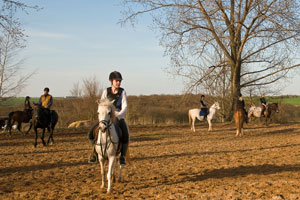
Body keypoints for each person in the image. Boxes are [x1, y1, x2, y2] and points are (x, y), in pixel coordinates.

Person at [88, 71, 129, 165]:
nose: (119, 82)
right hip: (106, 117)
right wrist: (102, 115)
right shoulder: (106, 91)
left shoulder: (122, 92)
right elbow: (101, 104)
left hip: (118, 117)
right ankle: (94, 153)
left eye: (120, 81)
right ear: (111, 81)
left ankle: (122, 156)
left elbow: (125, 106)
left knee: (125, 134)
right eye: (117, 81)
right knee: (90, 132)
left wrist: (118, 116)